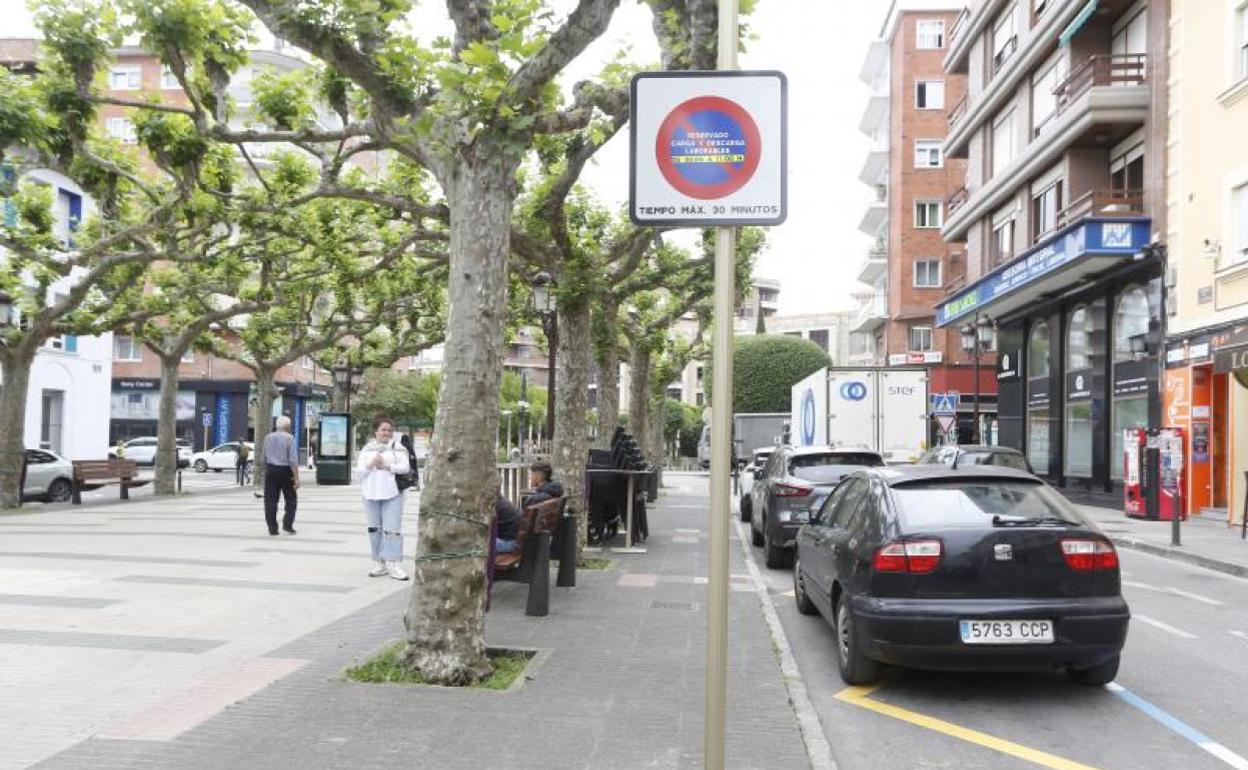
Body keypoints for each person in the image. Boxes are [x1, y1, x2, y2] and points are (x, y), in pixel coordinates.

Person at [356, 415, 411, 580]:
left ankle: (394, 563)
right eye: (383, 430)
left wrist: (387, 466)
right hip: (370, 494)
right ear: (376, 431)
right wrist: (372, 463)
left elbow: (405, 468)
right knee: (374, 529)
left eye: (389, 430)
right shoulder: (367, 450)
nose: (386, 433)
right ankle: (379, 562)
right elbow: (359, 473)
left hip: (393, 494)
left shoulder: (398, 448)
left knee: (392, 529)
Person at [262, 416, 301, 536]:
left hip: (271, 470)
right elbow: (293, 460)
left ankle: (272, 528)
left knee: (270, 500)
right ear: (287, 426)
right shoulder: (290, 438)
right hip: (285, 471)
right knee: (291, 499)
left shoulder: (268, 438)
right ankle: (287, 524)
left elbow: (263, 457)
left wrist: (267, 469)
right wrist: (296, 478)